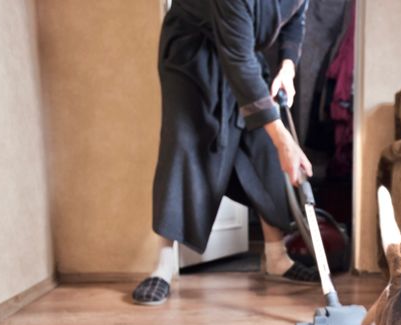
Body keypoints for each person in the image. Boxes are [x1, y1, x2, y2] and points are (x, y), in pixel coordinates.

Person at [132, 0, 318, 306]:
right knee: (185, 144)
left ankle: (276, 257)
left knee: (262, 144)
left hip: (239, 48)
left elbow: (296, 20)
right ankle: (163, 266)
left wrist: (287, 66)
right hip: (192, 53)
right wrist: (285, 141)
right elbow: (239, 62)